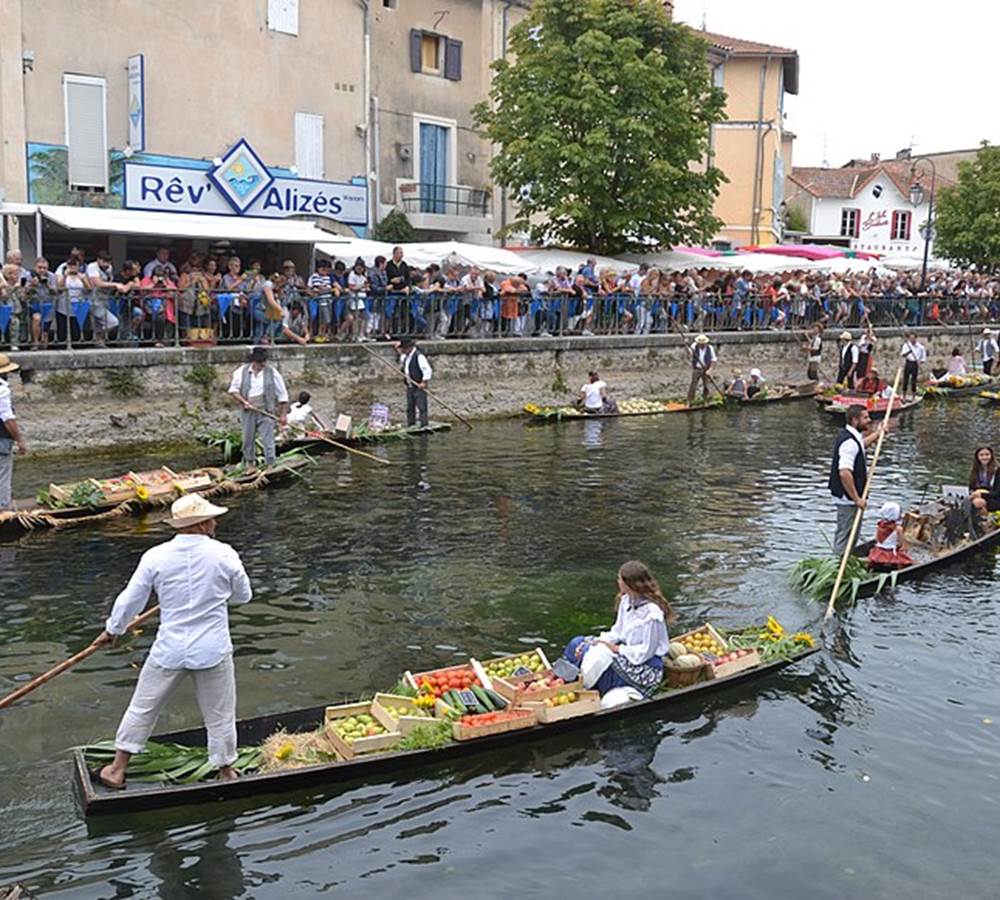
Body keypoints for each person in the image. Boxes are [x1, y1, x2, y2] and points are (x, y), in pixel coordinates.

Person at [92, 494, 252, 789]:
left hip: (170, 648)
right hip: (212, 649)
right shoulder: (225, 554)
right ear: (202, 524)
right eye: (211, 519)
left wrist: (113, 629)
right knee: (220, 714)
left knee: (143, 707)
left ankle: (116, 769)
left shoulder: (156, 556)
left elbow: (130, 600)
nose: (215, 523)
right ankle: (226, 771)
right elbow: (244, 596)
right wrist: (218, 595)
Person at [561, 560, 676, 699]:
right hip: (626, 653)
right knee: (578, 643)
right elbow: (617, 632)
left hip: (644, 666)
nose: (618, 581)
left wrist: (616, 649)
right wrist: (596, 642)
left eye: (620, 579)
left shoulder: (652, 615)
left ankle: (579, 687)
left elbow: (646, 652)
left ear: (629, 584)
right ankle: (566, 680)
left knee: (600, 658)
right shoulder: (626, 601)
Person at [829, 404, 881, 554]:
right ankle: (839, 564)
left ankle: (845, 559)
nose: (869, 420)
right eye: (865, 417)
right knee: (845, 536)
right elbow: (844, 472)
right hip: (848, 498)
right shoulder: (849, 442)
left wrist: (878, 434)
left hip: (850, 497)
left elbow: (861, 446)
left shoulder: (852, 437)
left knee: (851, 534)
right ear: (854, 420)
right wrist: (857, 499)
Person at [227, 346, 289, 472]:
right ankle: (251, 464)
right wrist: (244, 402)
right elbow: (233, 390)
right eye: (260, 362)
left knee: (268, 439)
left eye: (264, 361)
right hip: (248, 410)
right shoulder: (241, 371)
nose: (262, 364)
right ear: (253, 361)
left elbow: (283, 395)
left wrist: (283, 415)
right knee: (247, 438)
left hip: (266, 410)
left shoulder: (272, 373)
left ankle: (270, 464)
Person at [0, 354, 26, 510]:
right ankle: (3, 510)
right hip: (1, 439)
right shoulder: (1, 390)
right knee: (2, 475)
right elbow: (8, 419)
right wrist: (19, 440)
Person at [867, 501, 914, 569]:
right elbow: (900, 543)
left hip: (878, 552)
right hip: (890, 553)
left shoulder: (880, 526)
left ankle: (875, 565)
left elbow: (877, 539)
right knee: (905, 556)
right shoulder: (898, 529)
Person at [397, 336, 432, 427]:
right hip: (410, 386)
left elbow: (427, 370)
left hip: (419, 386)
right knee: (410, 408)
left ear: (409, 347)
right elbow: (401, 358)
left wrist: (424, 382)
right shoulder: (406, 357)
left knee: (422, 407)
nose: (403, 350)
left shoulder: (419, 356)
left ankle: (424, 425)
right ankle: (411, 425)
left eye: (404, 348)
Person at [686, 333, 716, 405]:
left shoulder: (710, 348)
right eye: (700, 344)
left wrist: (710, 370)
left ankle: (705, 400)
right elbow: (689, 353)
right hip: (697, 368)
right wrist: (686, 345)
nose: (701, 345)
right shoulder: (694, 346)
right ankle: (689, 401)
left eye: (703, 344)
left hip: (706, 369)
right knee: (693, 385)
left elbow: (713, 360)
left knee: (706, 386)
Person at [969, 446, 1000, 514]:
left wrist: (981, 494)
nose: (984, 457)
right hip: (978, 496)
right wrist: (974, 494)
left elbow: (997, 493)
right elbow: (971, 488)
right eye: (981, 455)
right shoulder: (975, 471)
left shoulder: (997, 471)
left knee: (978, 502)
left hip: (994, 498)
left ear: (991, 456)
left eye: (987, 454)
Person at [900, 330, 927, 400]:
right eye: (910, 338)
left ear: (916, 338)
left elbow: (923, 358)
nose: (911, 340)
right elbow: (903, 355)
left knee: (913, 381)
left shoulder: (921, 347)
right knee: (905, 380)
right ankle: (904, 396)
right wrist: (909, 352)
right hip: (908, 362)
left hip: (915, 364)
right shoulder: (906, 345)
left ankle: (913, 396)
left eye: (913, 338)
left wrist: (920, 362)